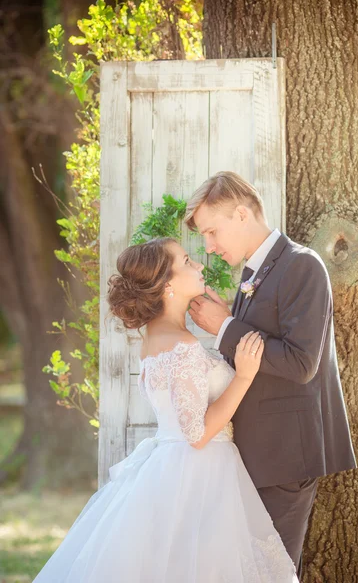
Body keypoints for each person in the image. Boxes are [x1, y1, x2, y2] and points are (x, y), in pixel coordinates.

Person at [32, 237, 299, 582]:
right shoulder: (181, 345)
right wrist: (244, 376)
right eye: (188, 261)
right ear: (167, 284)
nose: (200, 265)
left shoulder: (156, 336)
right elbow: (198, 434)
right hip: (201, 473)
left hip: (174, 467)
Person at [185, 171, 357, 580]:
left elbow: (301, 363)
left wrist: (225, 328)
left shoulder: (302, 265)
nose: (208, 247)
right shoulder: (253, 272)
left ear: (242, 214)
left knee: (272, 573)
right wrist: (229, 319)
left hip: (283, 457)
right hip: (256, 453)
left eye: (212, 232)